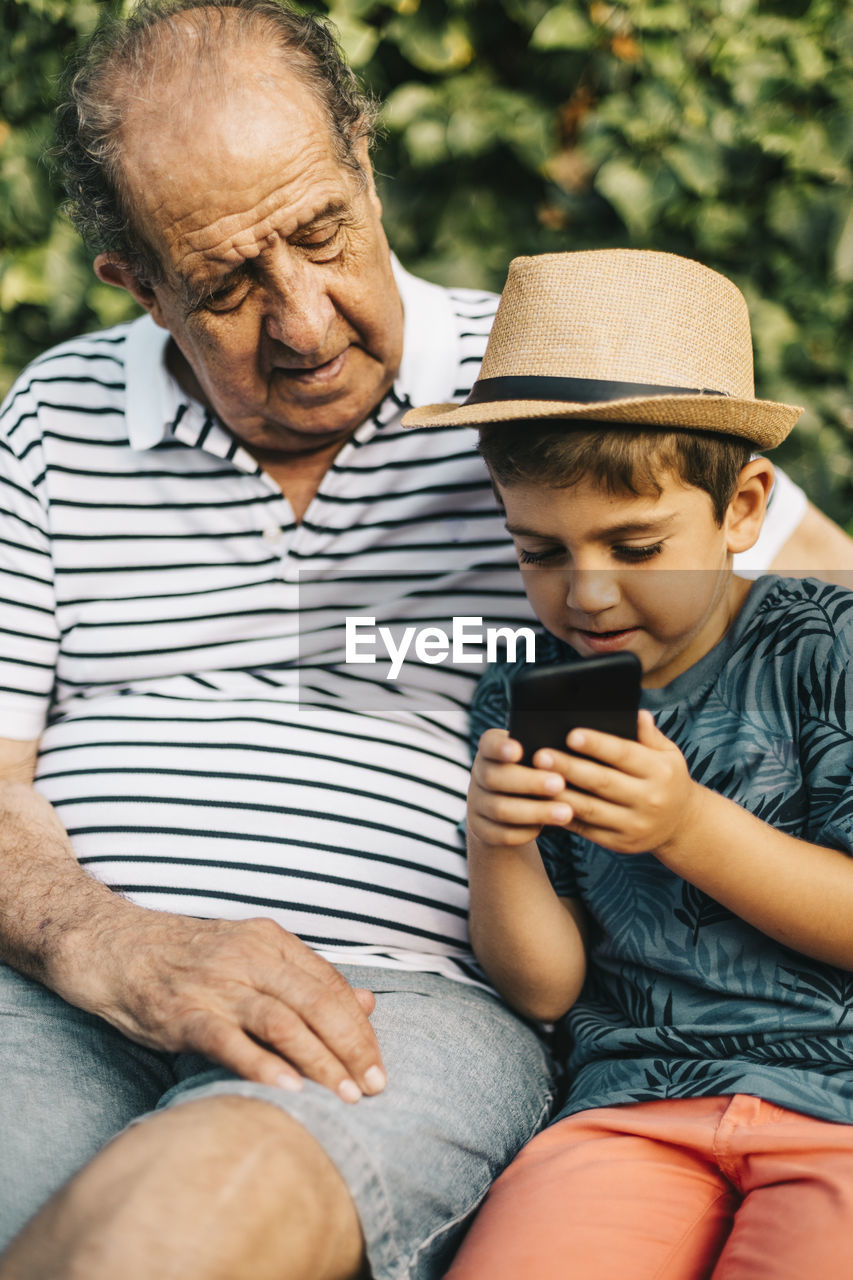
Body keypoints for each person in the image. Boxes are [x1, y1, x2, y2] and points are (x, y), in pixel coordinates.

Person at [0, 2, 849, 1275]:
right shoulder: (51, 420)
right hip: (61, 988)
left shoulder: (551, 391)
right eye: (226, 286)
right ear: (137, 281)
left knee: (169, 1228)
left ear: (364, 159)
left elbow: (800, 607)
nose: (303, 321)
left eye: (321, 233)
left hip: (391, 1005)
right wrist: (101, 938)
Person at [403, 249, 853, 1279]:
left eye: (636, 546)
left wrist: (688, 826)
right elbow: (548, 988)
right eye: (540, 552)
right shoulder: (532, 692)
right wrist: (500, 845)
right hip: (632, 1108)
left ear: (740, 509)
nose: (587, 598)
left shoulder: (825, 649)